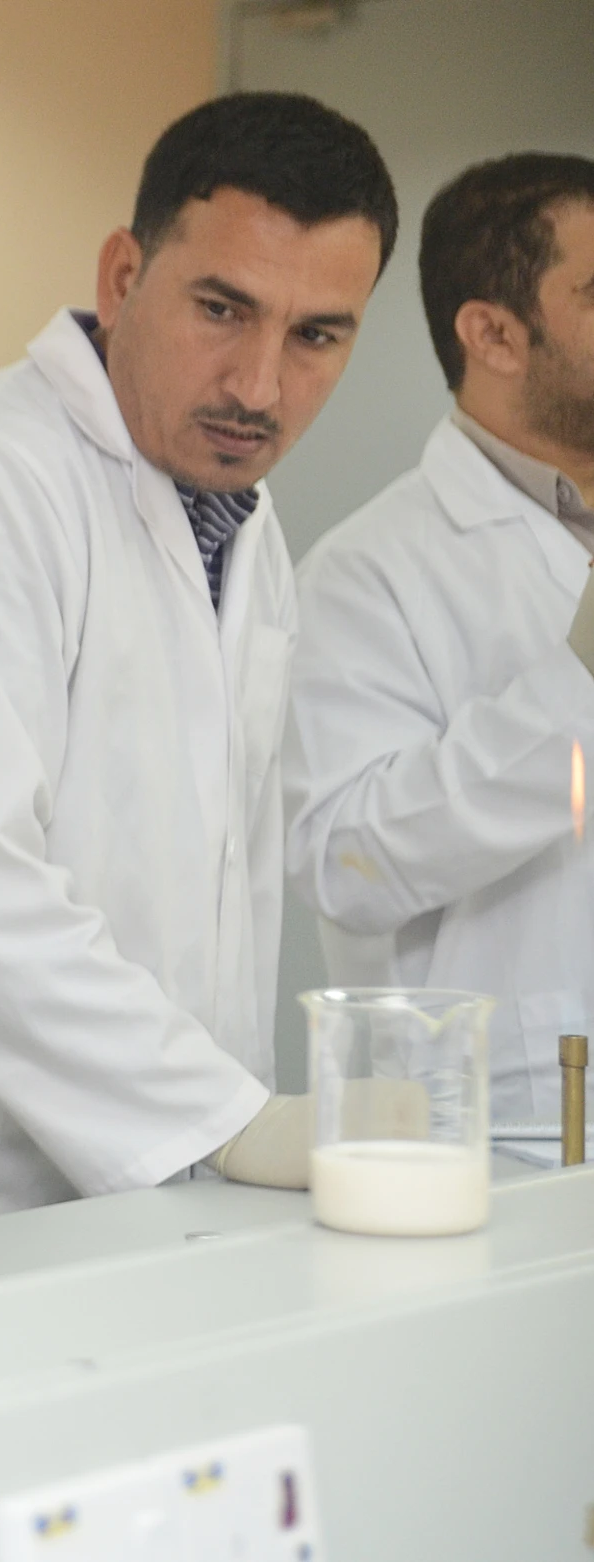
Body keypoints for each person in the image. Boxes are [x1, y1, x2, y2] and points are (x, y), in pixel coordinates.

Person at [0, 93, 397, 1219]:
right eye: (222, 308)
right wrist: (217, 1118)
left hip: (169, 1185)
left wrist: (218, 1117)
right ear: (123, 274)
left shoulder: (236, 515)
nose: (260, 385)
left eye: (317, 334)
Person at [287, 154, 594, 1132]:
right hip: (524, 1112)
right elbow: (342, 860)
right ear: (493, 333)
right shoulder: (365, 574)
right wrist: (576, 675)